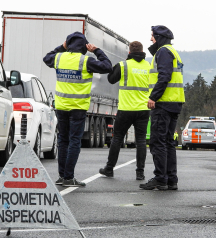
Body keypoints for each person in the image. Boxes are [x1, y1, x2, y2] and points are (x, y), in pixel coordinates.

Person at [43, 32, 112, 187]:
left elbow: (47, 57)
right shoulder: (86, 61)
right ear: (84, 46)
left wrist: (62, 46)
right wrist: (96, 50)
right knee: (74, 141)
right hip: (78, 108)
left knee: (63, 140)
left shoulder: (59, 58)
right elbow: (107, 66)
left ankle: (62, 176)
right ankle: (69, 177)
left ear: (68, 44)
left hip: (61, 106)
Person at [140, 26, 185, 191]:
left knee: (158, 142)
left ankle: (160, 178)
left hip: (164, 103)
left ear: (158, 37)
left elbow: (164, 76)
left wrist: (153, 97)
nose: (151, 40)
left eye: (152, 37)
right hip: (174, 102)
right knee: (168, 142)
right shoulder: (171, 51)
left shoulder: (163, 52)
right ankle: (170, 179)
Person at [99, 41, 150, 180]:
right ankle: (140, 173)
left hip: (126, 109)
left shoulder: (123, 65)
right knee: (141, 141)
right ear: (142, 51)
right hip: (143, 109)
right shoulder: (149, 67)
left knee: (117, 139)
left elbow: (110, 79)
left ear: (129, 53)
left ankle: (109, 169)